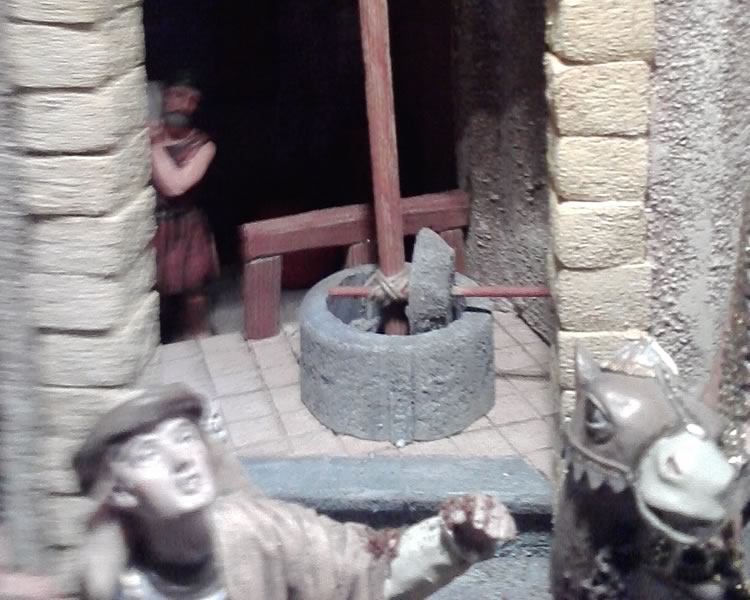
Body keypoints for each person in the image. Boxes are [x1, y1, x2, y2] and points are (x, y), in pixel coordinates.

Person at [73, 385, 517, 600]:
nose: (181, 460)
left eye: (185, 438)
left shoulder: (263, 531)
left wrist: (454, 538)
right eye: (149, 453)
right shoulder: (113, 584)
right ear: (122, 491)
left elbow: (363, 569)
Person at [149, 76, 219, 339]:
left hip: (187, 227)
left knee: (194, 289)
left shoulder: (203, 145)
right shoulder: (141, 137)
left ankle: (200, 335)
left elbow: (176, 185)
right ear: (165, 96)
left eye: (192, 100)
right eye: (179, 95)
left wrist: (155, 146)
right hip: (154, 226)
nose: (185, 105)